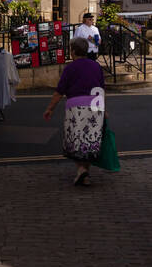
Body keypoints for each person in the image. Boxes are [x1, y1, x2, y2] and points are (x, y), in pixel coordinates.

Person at [42, 36, 106, 186]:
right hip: (96, 107)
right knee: (90, 141)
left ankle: (81, 170)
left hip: (75, 107)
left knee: (75, 140)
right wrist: (104, 109)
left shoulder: (70, 68)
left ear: (74, 51)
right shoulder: (96, 66)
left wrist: (50, 109)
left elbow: (59, 91)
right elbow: (101, 89)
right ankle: (85, 173)